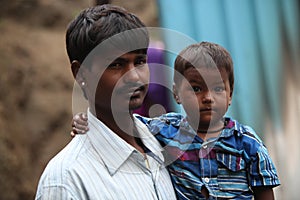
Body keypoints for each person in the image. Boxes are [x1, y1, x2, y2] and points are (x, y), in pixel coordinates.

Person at [72, 41, 280, 199]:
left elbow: (264, 193)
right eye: (196, 88)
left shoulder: (248, 143)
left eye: (218, 88)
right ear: (176, 94)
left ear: (230, 94)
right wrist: (87, 121)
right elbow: (122, 123)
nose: (208, 97)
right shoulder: (164, 131)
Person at [35, 4, 176, 200]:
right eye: (116, 65)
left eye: (140, 61)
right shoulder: (66, 180)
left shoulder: (165, 144)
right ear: (81, 73)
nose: (134, 76)